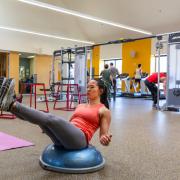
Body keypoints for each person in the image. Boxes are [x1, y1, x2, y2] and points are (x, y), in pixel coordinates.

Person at [0, 77, 112, 150]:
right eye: (87, 87)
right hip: (65, 139)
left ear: (101, 91)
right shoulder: (80, 105)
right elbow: (69, 125)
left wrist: (104, 139)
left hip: (79, 140)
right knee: (42, 119)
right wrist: (55, 129)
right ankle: (10, 107)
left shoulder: (104, 110)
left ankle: (11, 104)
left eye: (92, 87)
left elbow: (103, 136)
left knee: (52, 118)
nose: (88, 89)